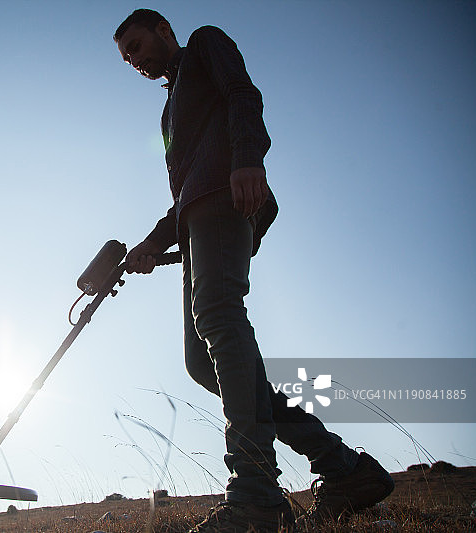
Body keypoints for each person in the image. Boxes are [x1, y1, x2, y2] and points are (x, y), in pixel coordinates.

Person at [113, 9, 395, 533]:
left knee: (220, 318)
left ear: (163, 31)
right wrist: (149, 246)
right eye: (127, 56)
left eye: (137, 44)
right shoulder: (168, 111)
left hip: (225, 198)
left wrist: (248, 157)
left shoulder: (202, 45)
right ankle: (344, 468)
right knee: (202, 362)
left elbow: (243, 93)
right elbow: (182, 193)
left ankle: (256, 495)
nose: (135, 59)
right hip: (195, 218)